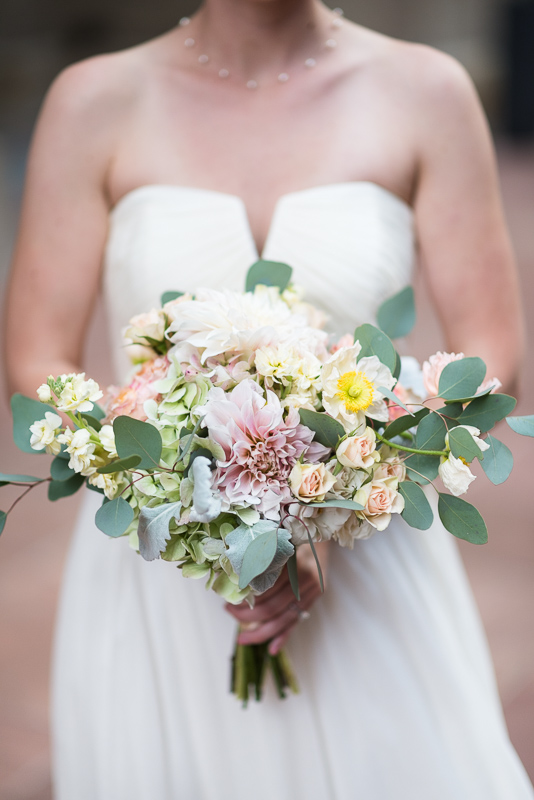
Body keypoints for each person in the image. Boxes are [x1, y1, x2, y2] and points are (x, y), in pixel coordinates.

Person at [4, 0, 533, 797]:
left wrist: (325, 506)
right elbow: (35, 358)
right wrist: (195, 500)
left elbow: (494, 356)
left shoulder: (428, 90)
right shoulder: (93, 100)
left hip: (366, 561)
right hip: (156, 569)